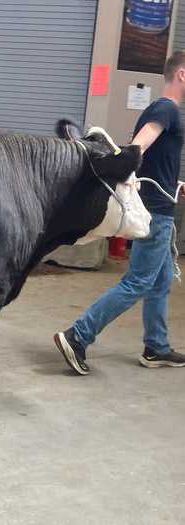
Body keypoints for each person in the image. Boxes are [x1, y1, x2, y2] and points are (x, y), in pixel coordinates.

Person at [55, 51, 185, 374]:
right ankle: (78, 335)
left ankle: (156, 346)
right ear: (182, 74)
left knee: (160, 281)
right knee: (138, 282)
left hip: (160, 206)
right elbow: (137, 148)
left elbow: (148, 158)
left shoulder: (159, 109)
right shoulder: (167, 109)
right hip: (156, 214)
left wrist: (174, 182)